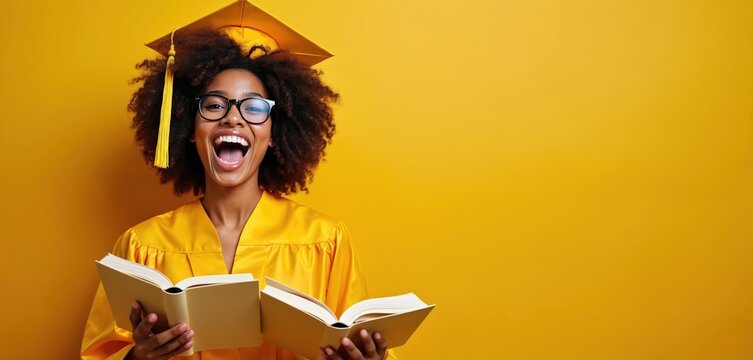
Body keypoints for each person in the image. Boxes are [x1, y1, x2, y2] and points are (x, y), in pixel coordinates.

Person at [81, 2, 393, 359]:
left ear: (275, 132)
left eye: (254, 107)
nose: (233, 119)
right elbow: (99, 352)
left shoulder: (325, 240)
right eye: (214, 105)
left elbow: (356, 337)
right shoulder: (141, 246)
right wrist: (138, 357)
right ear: (188, 128)